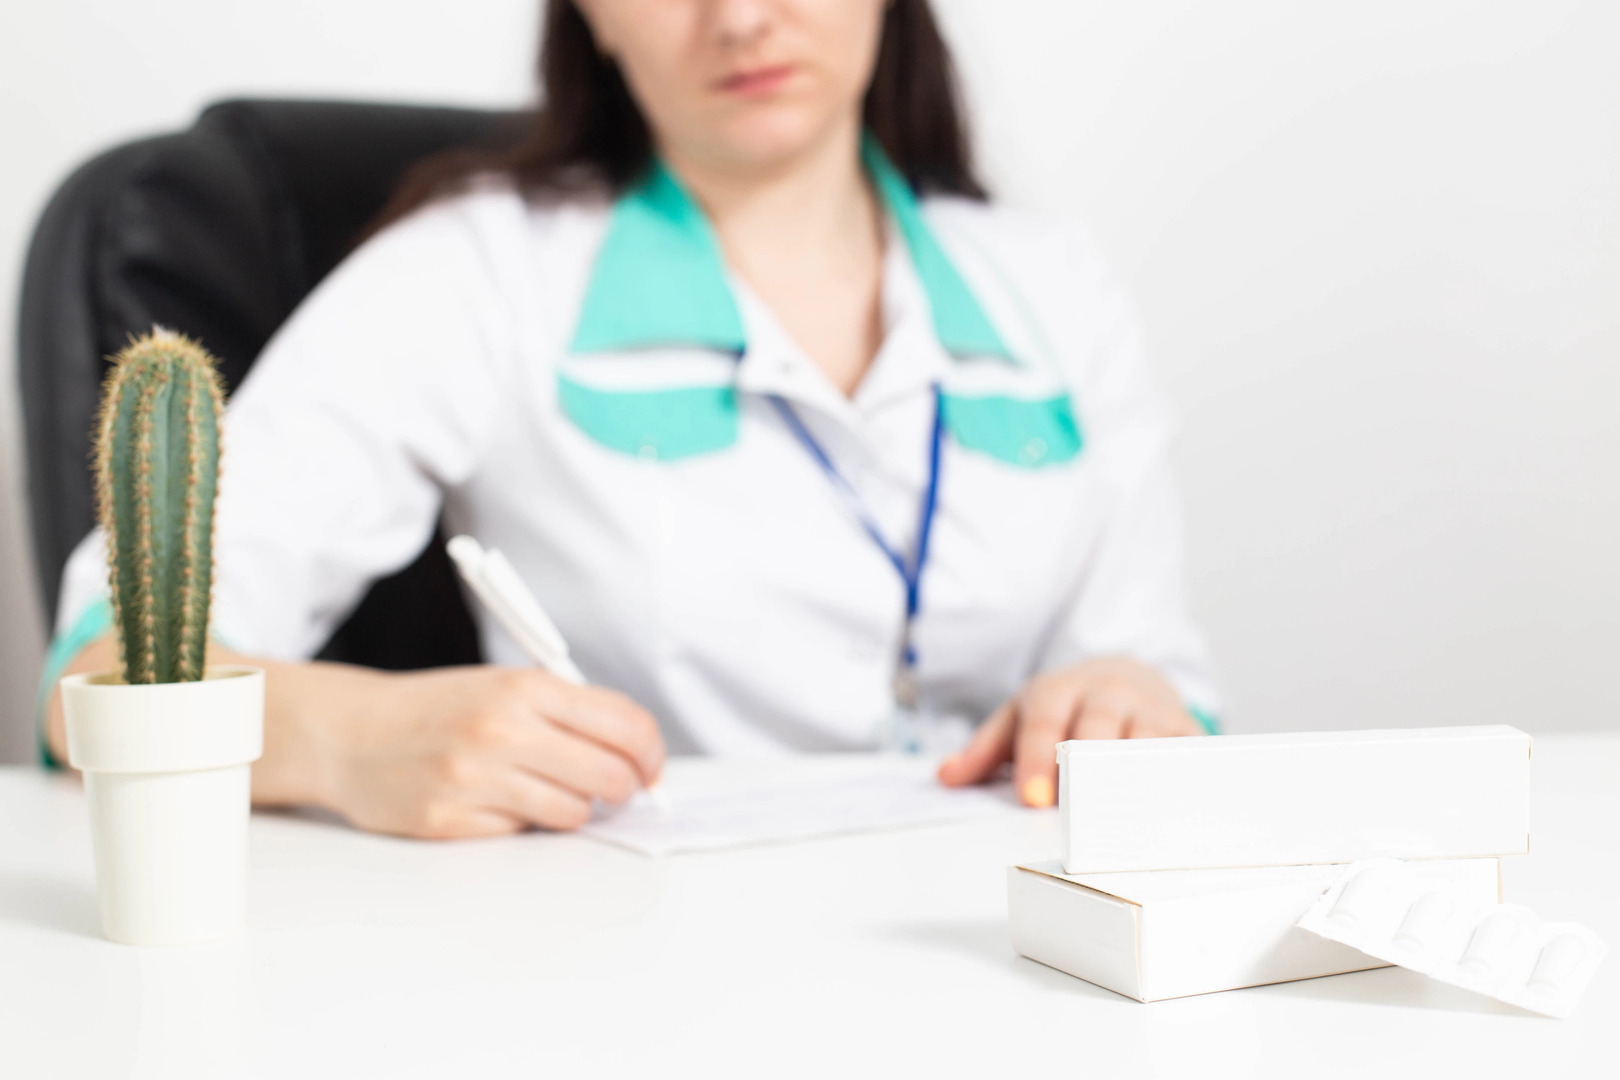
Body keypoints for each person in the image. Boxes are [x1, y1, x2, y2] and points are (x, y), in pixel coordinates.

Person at [41, 0, 1220, 839]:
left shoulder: (1054, 286)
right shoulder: (475, 273)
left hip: (1005, 952)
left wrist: (1128, 703)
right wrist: (348, 738)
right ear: (590, 16)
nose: (741, 18)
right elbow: (95, 676)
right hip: (638, 959)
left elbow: (1170, 689)